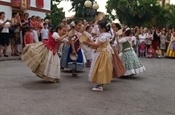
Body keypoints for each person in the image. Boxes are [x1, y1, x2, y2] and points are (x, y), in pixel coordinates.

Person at [83, 20, 113, 91]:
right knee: (100, 69)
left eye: (99, 28)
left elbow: (97, 44)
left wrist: (87, 42)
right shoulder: (105, 35)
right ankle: (100, 84)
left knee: (101, 69)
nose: (98, 29)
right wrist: (89, 41)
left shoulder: (104, 36)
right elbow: (96, 44)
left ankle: (100, 85)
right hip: (102, 53)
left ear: (103, 28)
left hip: (102, 54)